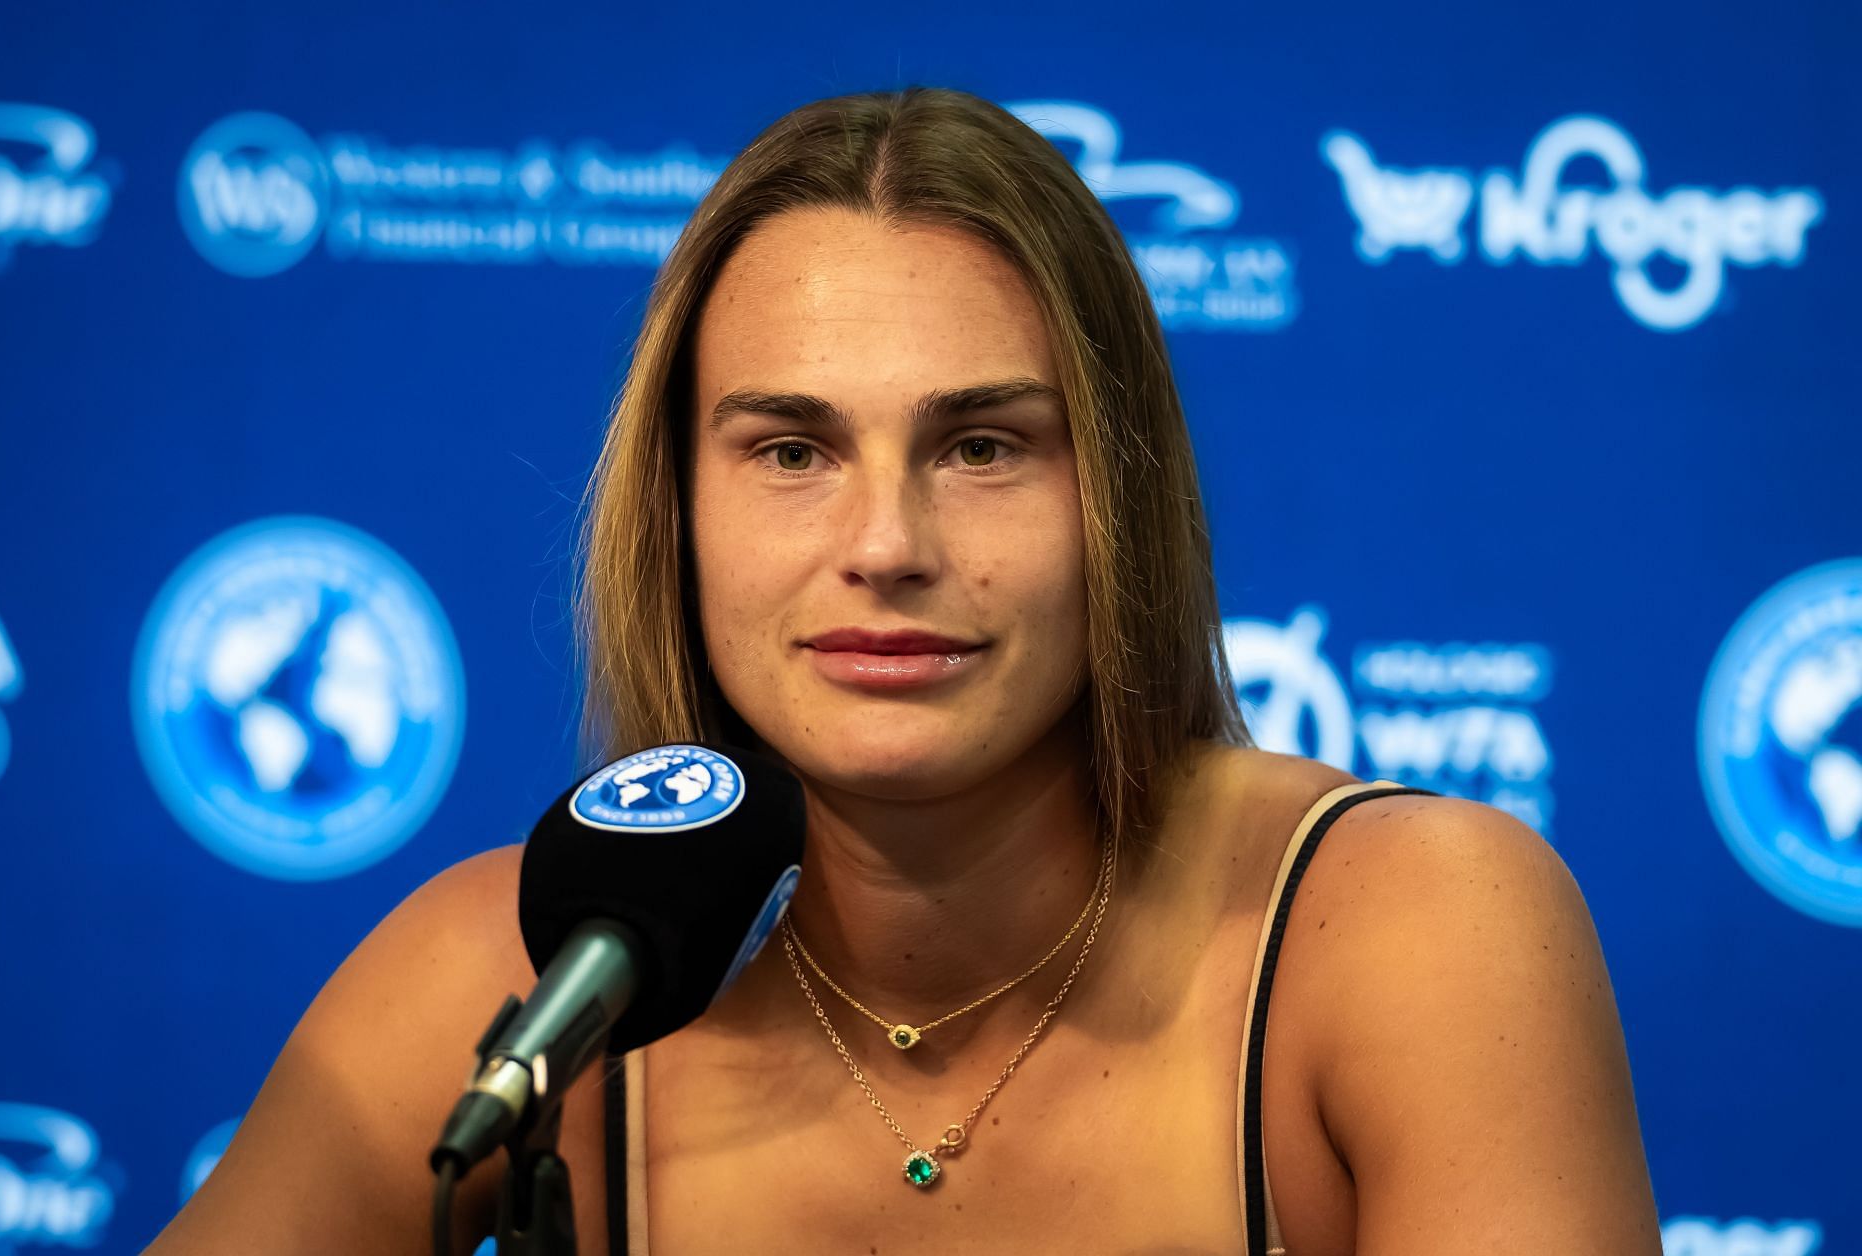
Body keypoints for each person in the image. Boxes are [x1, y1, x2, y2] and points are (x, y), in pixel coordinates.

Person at [146, 86, 1662, 1255]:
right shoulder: (537, 984)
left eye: (984, 446)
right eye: (792, 450)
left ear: (1119, 502)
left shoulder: (1406, 925)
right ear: (679, 512)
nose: (885, 543)